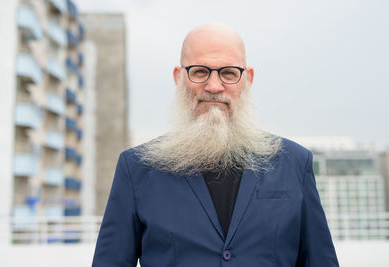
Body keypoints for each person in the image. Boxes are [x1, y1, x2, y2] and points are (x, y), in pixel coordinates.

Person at [92, 23, 339, 267]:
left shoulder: (295, 163)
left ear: (247, 79)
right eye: (199, 72)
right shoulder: (136, 168)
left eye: (228, 73)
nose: (213, 86)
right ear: (179, 77)